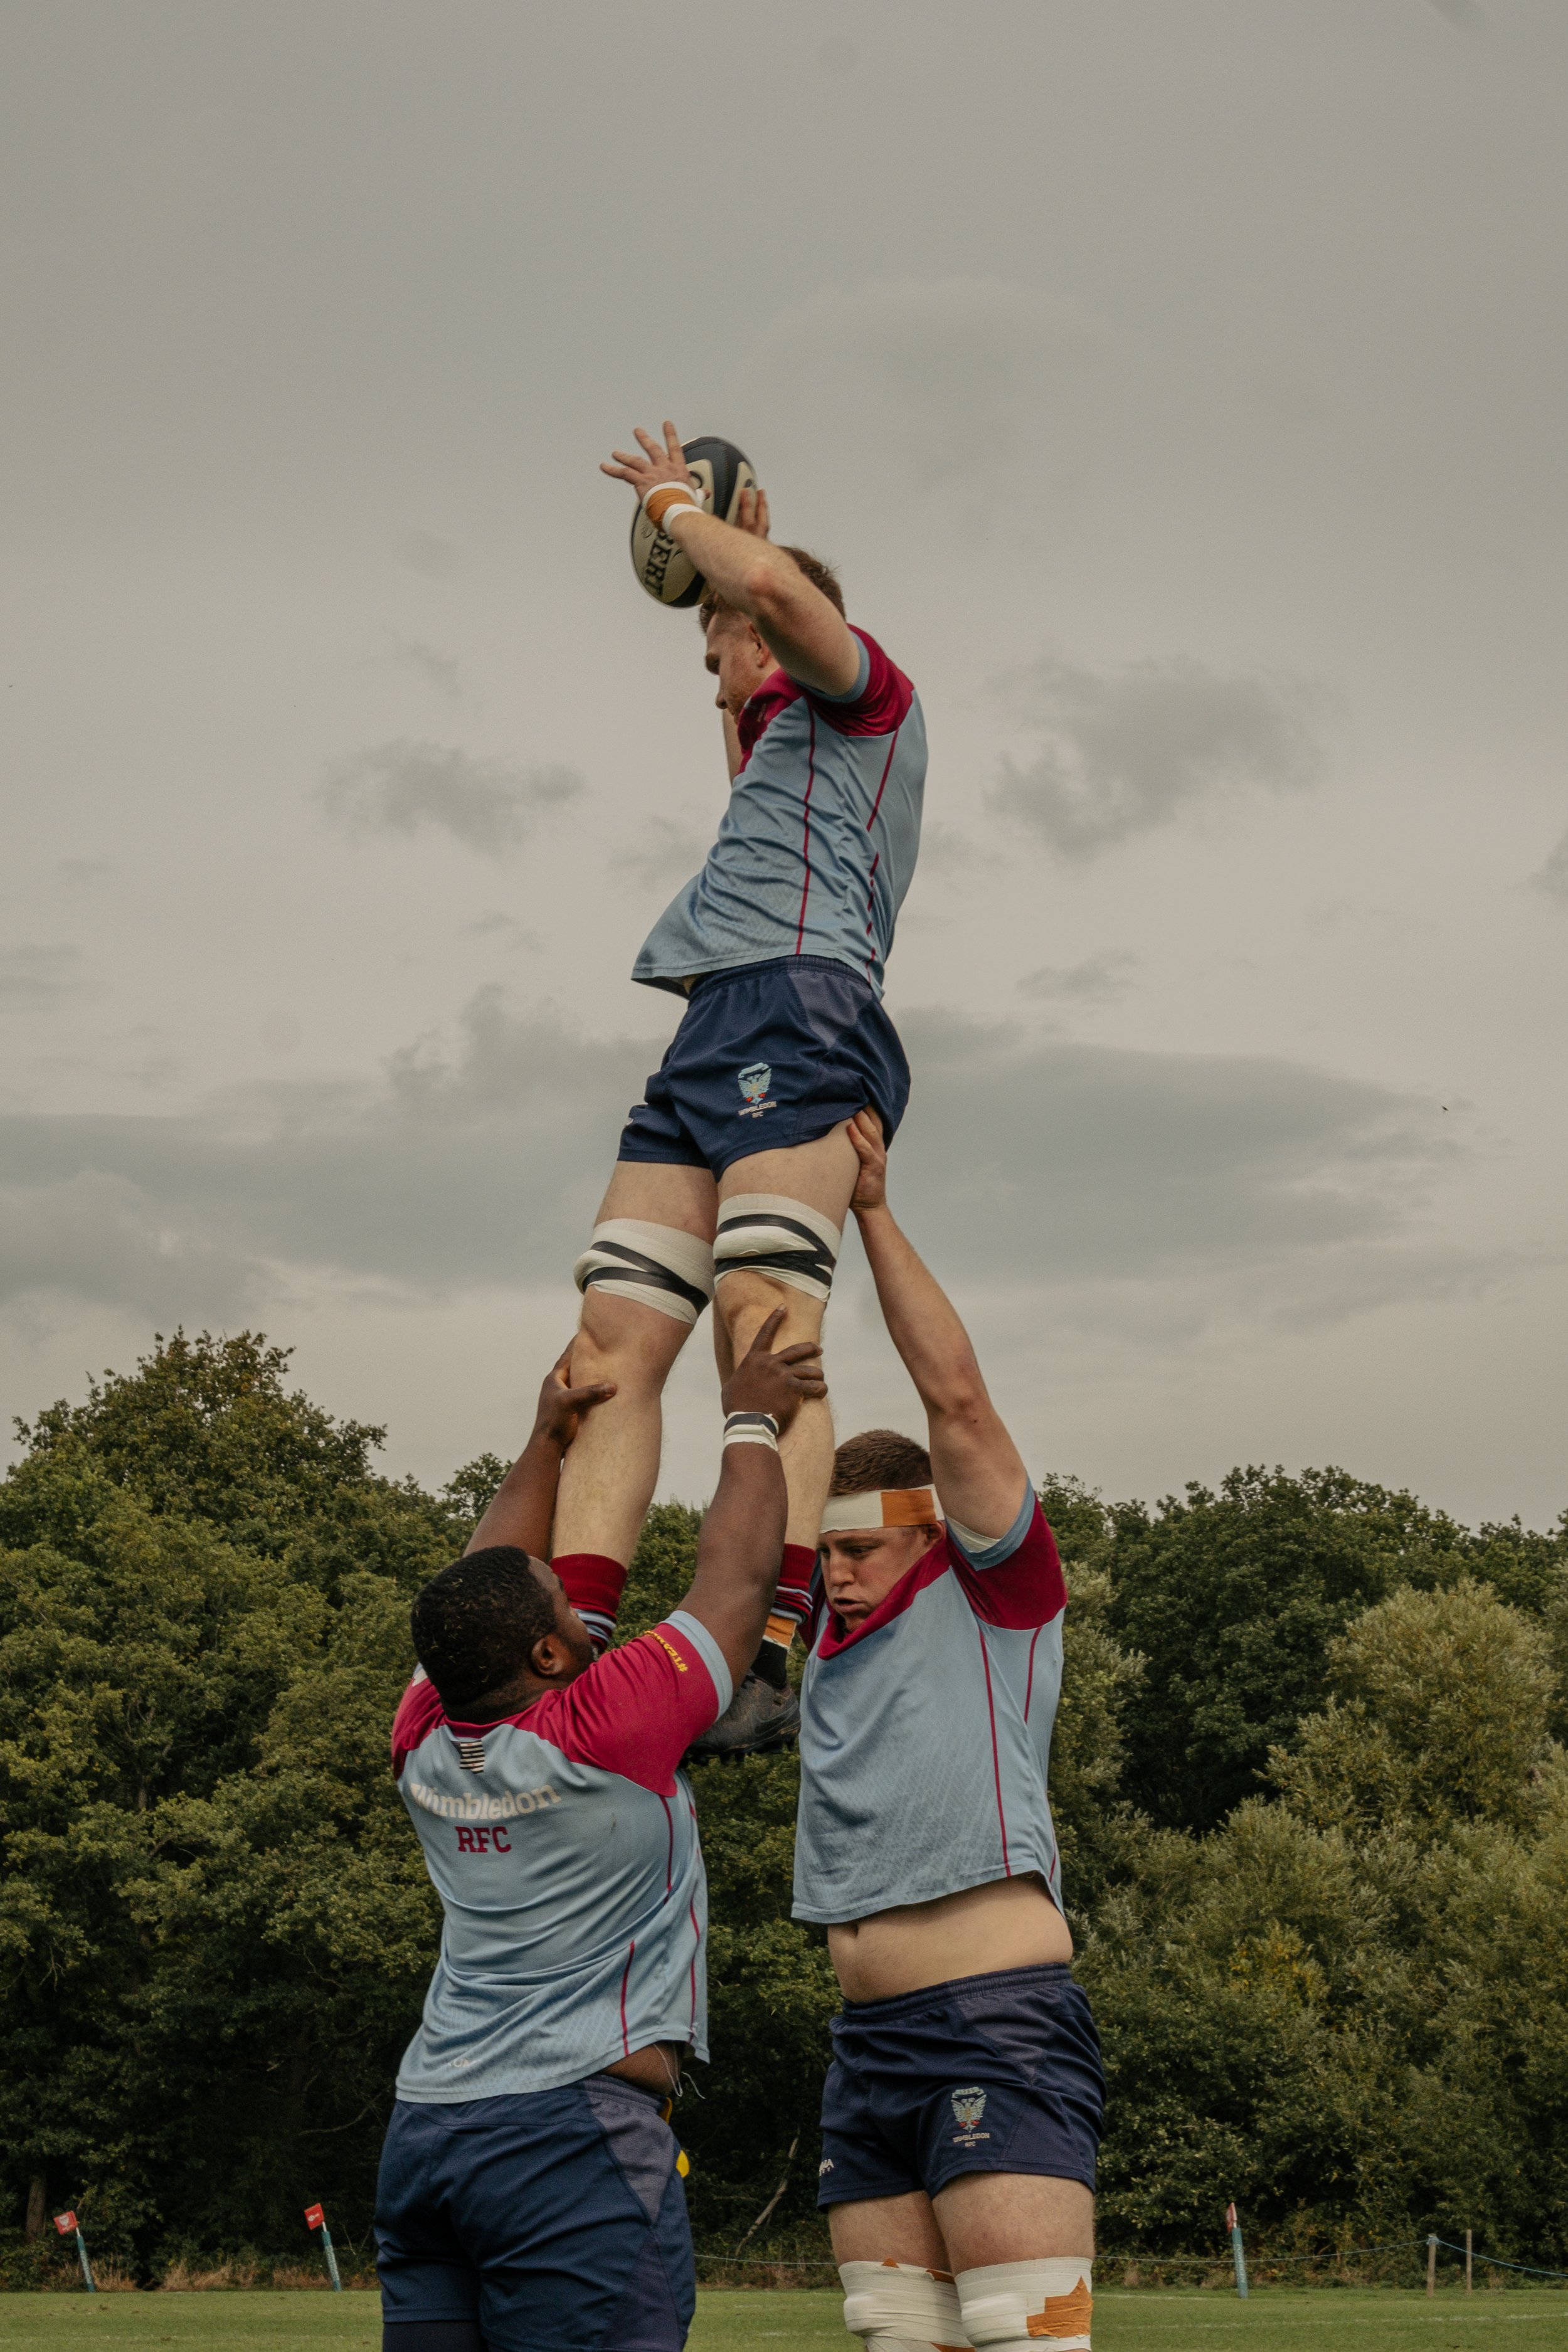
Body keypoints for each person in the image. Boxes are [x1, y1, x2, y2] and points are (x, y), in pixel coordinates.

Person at [551, 420, 929, 1752]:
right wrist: (733, 573)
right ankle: (572, 1644)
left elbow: (771, 599)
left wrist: (681, 514)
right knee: (606, 1353)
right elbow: (751, 643)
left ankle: (770, 1649)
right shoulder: (782, 749)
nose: (710, 667)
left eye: (718, 643)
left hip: (803, 1009)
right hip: (714, 1025)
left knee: (763, 1328)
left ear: (775, 631)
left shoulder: (868, 696)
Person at [375, 1310, 825, 2352]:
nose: (590, 1617)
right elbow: (736, 1585)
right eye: (569, 1615)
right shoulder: (602, 1725)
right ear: (543, 1655)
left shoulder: (424, 1737)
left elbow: (478, 1578)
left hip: (431, 2131)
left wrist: (544, 1443)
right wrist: (752, 1419)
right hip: (565, 2141)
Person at [793, 1111, 1102, 2352]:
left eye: (861, 1547)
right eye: (826, 1553)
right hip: (864, 2046)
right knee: (895, 2343)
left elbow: (955, 1402)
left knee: (1025, 2341)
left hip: (993, 2018)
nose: (839, 1574)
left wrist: (865, 1210)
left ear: (926, 1532)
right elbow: (778, 1455)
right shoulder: (819, 1629)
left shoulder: (994, 1593)